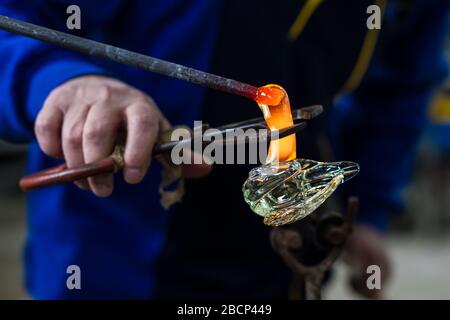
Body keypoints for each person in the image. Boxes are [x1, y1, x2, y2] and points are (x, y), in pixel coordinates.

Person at [0, 0, 448, 299]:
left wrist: (367, 212)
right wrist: (60, 82)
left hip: (277, 259)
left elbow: (400, 88)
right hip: (111, 250)